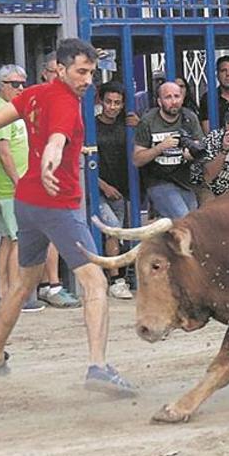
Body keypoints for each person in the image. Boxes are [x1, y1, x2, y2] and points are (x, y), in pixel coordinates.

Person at [0, 38, 136, 393]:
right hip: (57, 205)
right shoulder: (66, 102)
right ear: (60, 69)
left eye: (91, 72)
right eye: (81, 72)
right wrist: (50, 161)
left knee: (21, 285)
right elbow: (57, 140)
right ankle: (97, 366)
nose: (87, 80)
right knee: (95, 283)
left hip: (27, 203)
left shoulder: (34, 93)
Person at [0, 64, 45, 313]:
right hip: (10, 187)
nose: (21, 88)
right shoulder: (0, 109)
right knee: (17, 240)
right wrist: (20, 184)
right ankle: (11, 296)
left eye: (23, 83)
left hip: (12, 186)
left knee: (9, 240)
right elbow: (4, 151)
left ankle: (4, 293)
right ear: (2, 85)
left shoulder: (7, 107)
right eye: (14, 84)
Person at [37, 50, 80, 308]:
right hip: (39, 183)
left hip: (57, 182)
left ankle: (47, 286)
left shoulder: (66, 100)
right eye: (55, 72)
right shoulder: (40, 98)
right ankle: (50, 286)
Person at [133, 81, 203, 219]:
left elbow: (200, 147)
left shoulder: (189, 118)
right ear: (159, 101)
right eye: (168, 97)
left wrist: (191, 154)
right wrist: (160, 147)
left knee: (193, 222)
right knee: (184, 221)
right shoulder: (148, 121)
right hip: (159, 180)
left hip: (184, 180)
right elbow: (137, 160)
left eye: (177, 96)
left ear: (182, 98)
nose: (174, 101)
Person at [95, 82, 136, 299]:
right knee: (112, 229)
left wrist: (139, 126)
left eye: (117, 103)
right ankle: (116, 279)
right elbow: (86, 162)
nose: (112, 107)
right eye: (108, 102)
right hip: (99, 189)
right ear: (100, 101)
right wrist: (102, 185)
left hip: (121, 190)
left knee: (118, 232)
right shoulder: (92, 126)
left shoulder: (127, 125)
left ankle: (118, 274)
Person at [200, 55, 229, 134]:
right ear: (217, 75)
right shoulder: (208, 99)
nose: (228, 74)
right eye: (223, 70)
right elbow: (207, 132)